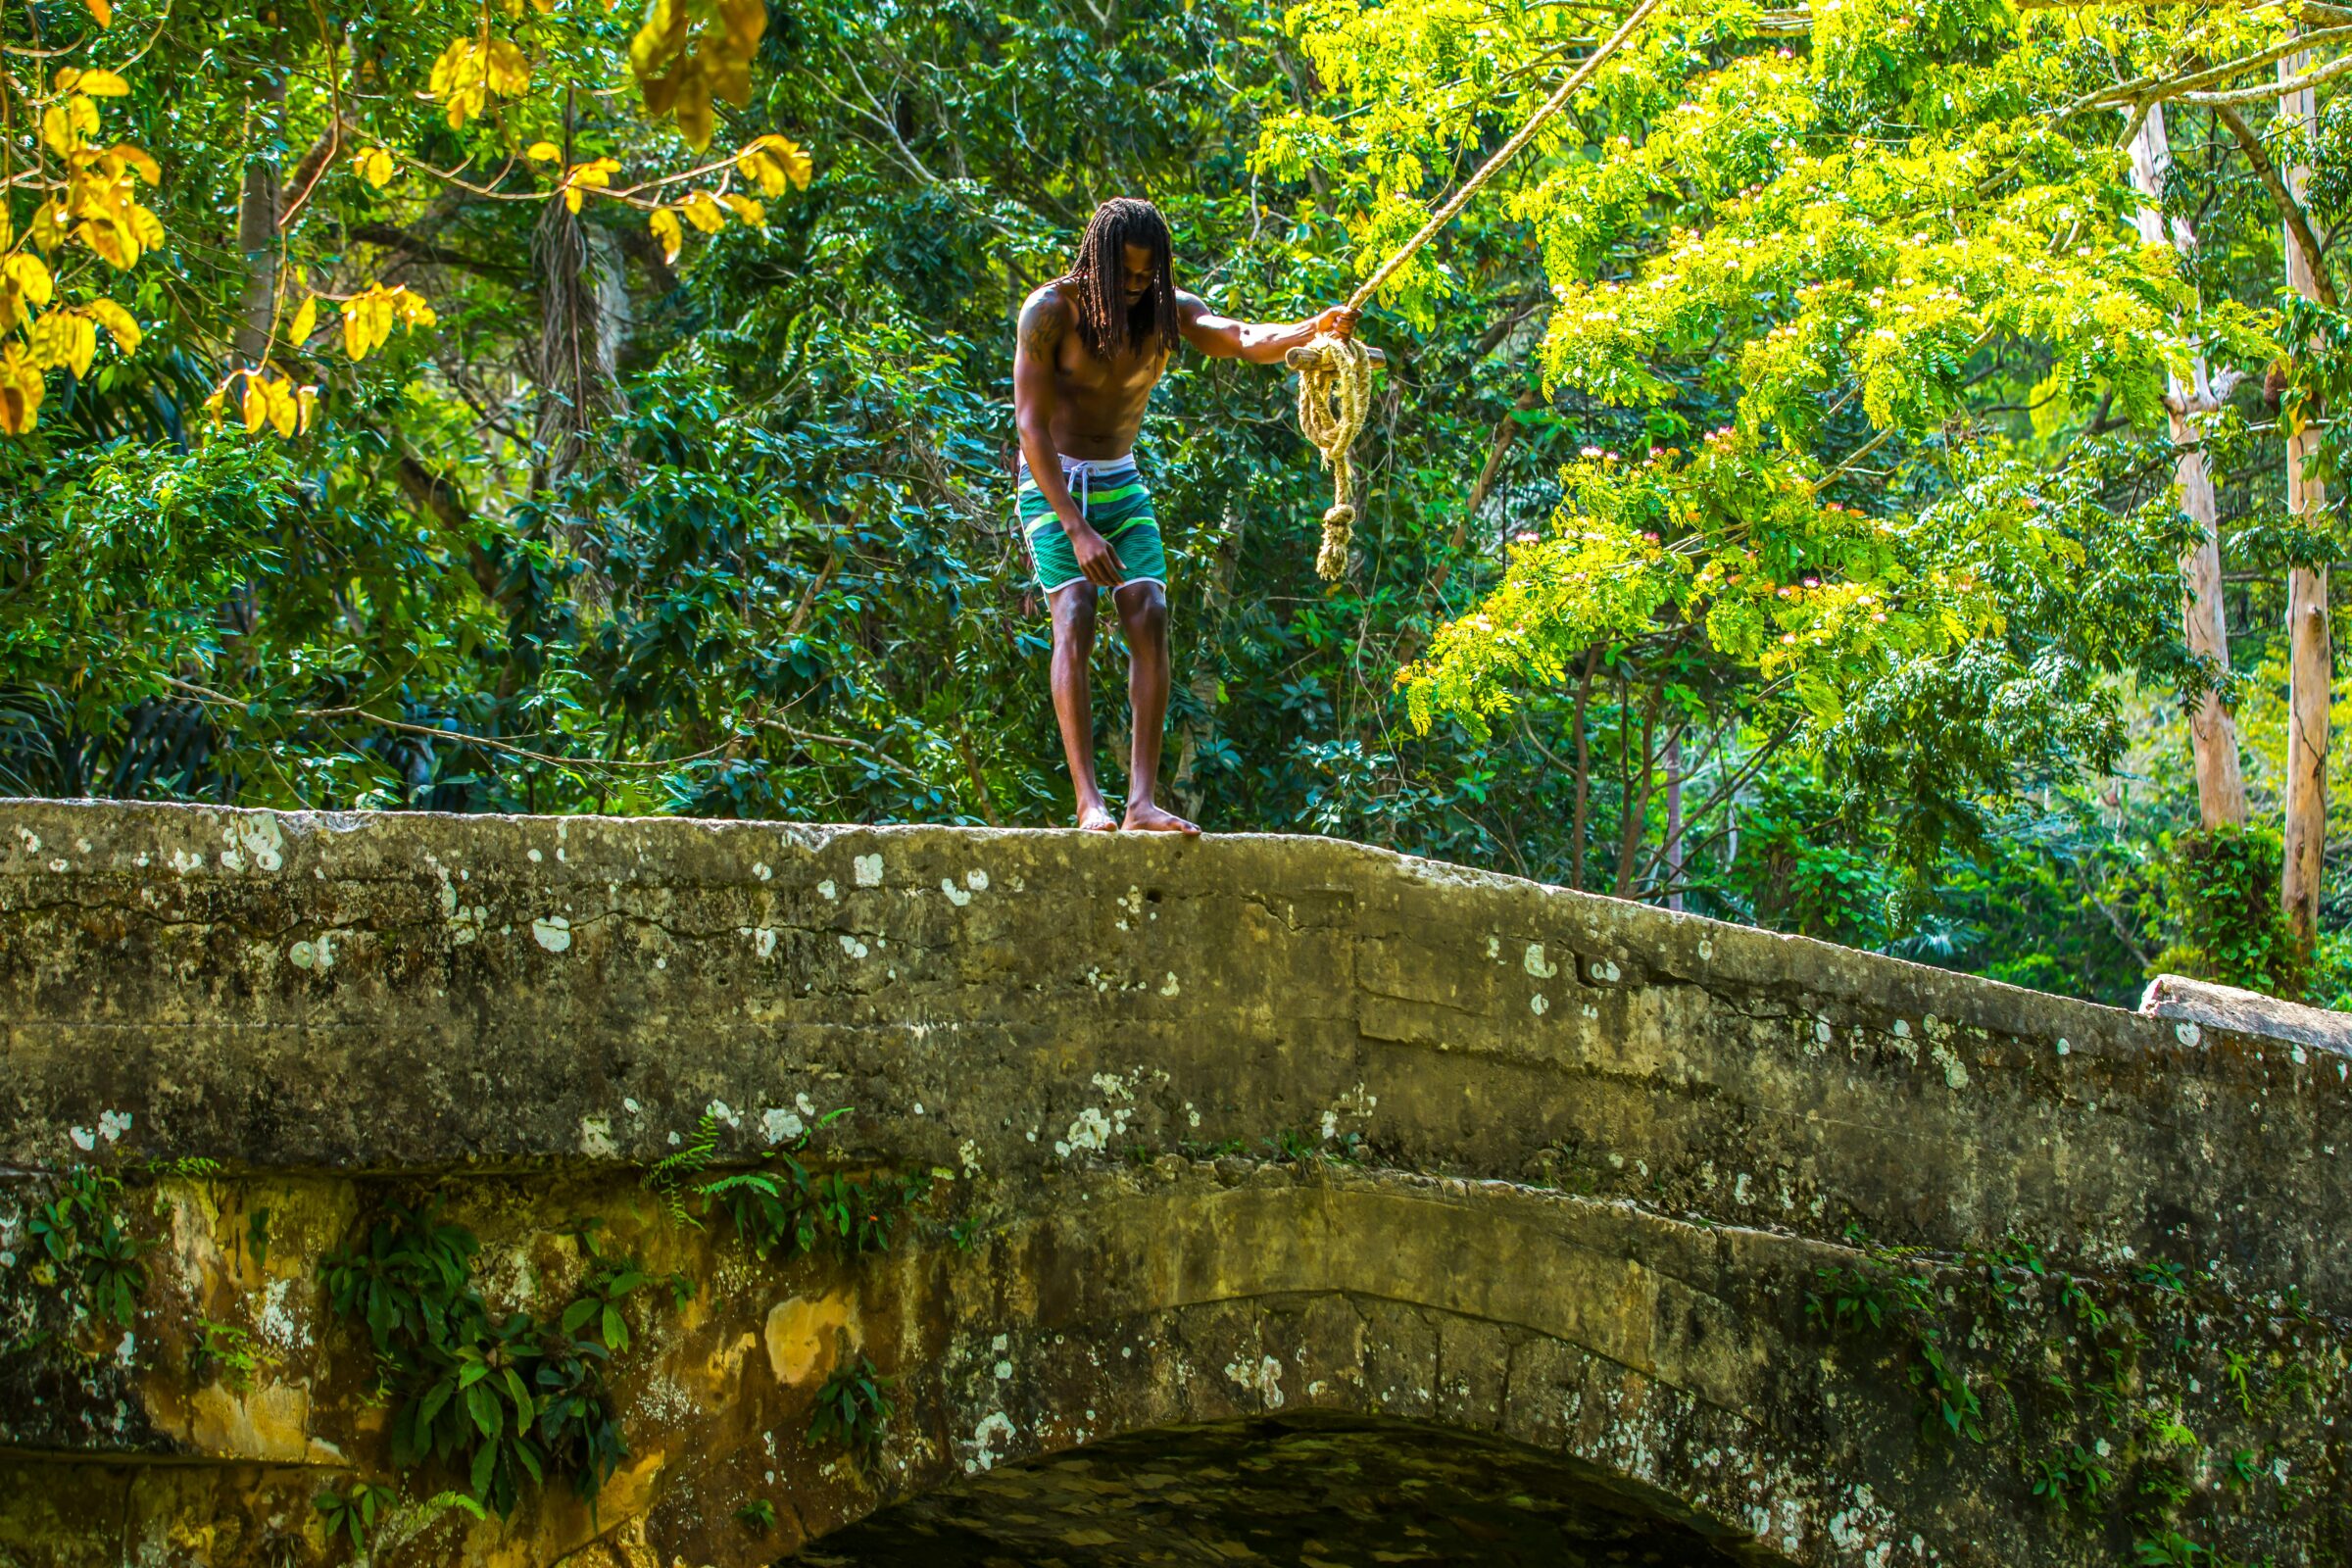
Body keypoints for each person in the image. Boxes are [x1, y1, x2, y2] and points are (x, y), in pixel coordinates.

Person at [1013, 197, 1359, 833]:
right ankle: (1089, 801)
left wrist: (1314, 328)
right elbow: (1030, 428)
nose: (1138, 287)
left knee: (1149, 610)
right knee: (1076, 613)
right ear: (1098, 262)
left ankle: (1141, 802)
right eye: (1127, 275)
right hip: (1053, 484)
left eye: (1149, 276)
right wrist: (1074, 525)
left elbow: (1242, 338)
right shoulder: (1049, 313)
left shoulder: (1167, 313)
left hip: (1119, 480)